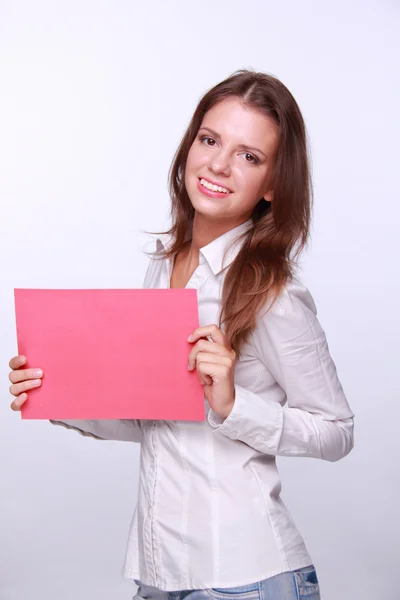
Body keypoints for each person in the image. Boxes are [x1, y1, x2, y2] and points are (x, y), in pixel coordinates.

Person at [8, 69, 354, 600]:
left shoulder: (273, 293)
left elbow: (336, 432)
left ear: (272, 187)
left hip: (245, 578)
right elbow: (157, 419)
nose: (218, 164)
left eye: (249, 156)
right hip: (159, 573)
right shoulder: (165, 268)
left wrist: (234, 403)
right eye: (210, 140)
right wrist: (55, 392)